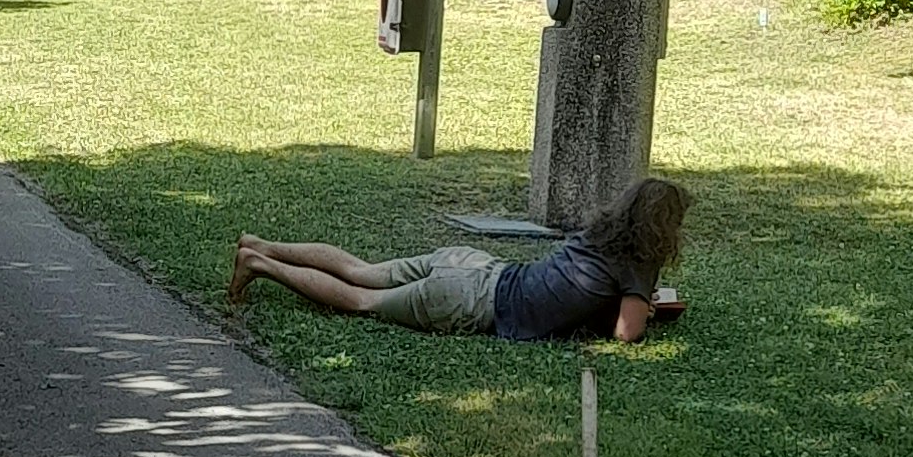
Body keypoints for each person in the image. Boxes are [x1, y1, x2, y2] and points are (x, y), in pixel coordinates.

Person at [228, 178, 690, 343]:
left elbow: (579, 289)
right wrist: (642, 307)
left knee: (361, 271)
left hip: (476, 265)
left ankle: (263, 245)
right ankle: (261, 266)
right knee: (359, 301)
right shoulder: (639, 262)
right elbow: (627, 334)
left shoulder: (601, 233)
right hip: (469, 302)